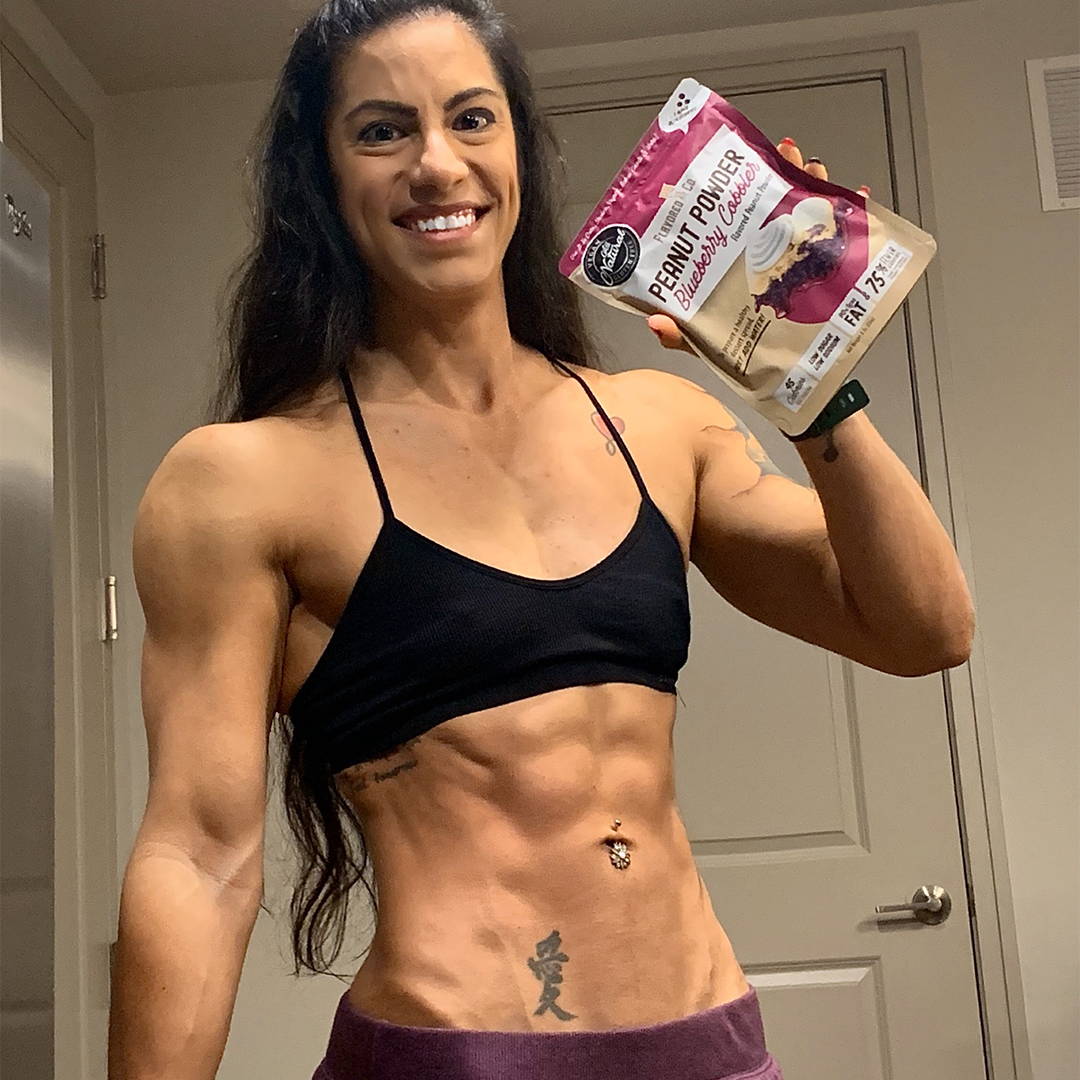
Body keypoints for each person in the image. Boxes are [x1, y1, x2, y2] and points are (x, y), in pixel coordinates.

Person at [106, 1, 975, 1078]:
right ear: (322, 181)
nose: (437, 163)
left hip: (712, 1046)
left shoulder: (659, 425)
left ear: (518, 146)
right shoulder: (246, 479)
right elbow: (198, 855)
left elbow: (925, 628)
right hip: (453, 1054)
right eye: (382, 131)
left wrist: (810, 379)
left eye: (472, 119)